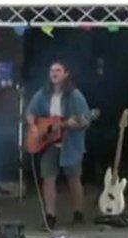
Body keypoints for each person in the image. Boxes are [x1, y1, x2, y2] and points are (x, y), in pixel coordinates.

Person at [26, 60, 91, 228]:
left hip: (70, 144)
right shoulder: (43, 94)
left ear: (66, 73)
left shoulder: (75, 95)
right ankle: (50, 215)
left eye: (58, 70)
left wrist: (69, 124)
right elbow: (31, 113)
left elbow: (85, 120)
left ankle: (78, 213)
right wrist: (34, 128)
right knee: (48, 179)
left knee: (73, 179)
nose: (54, 73)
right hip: (49, 145)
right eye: (51, 70)